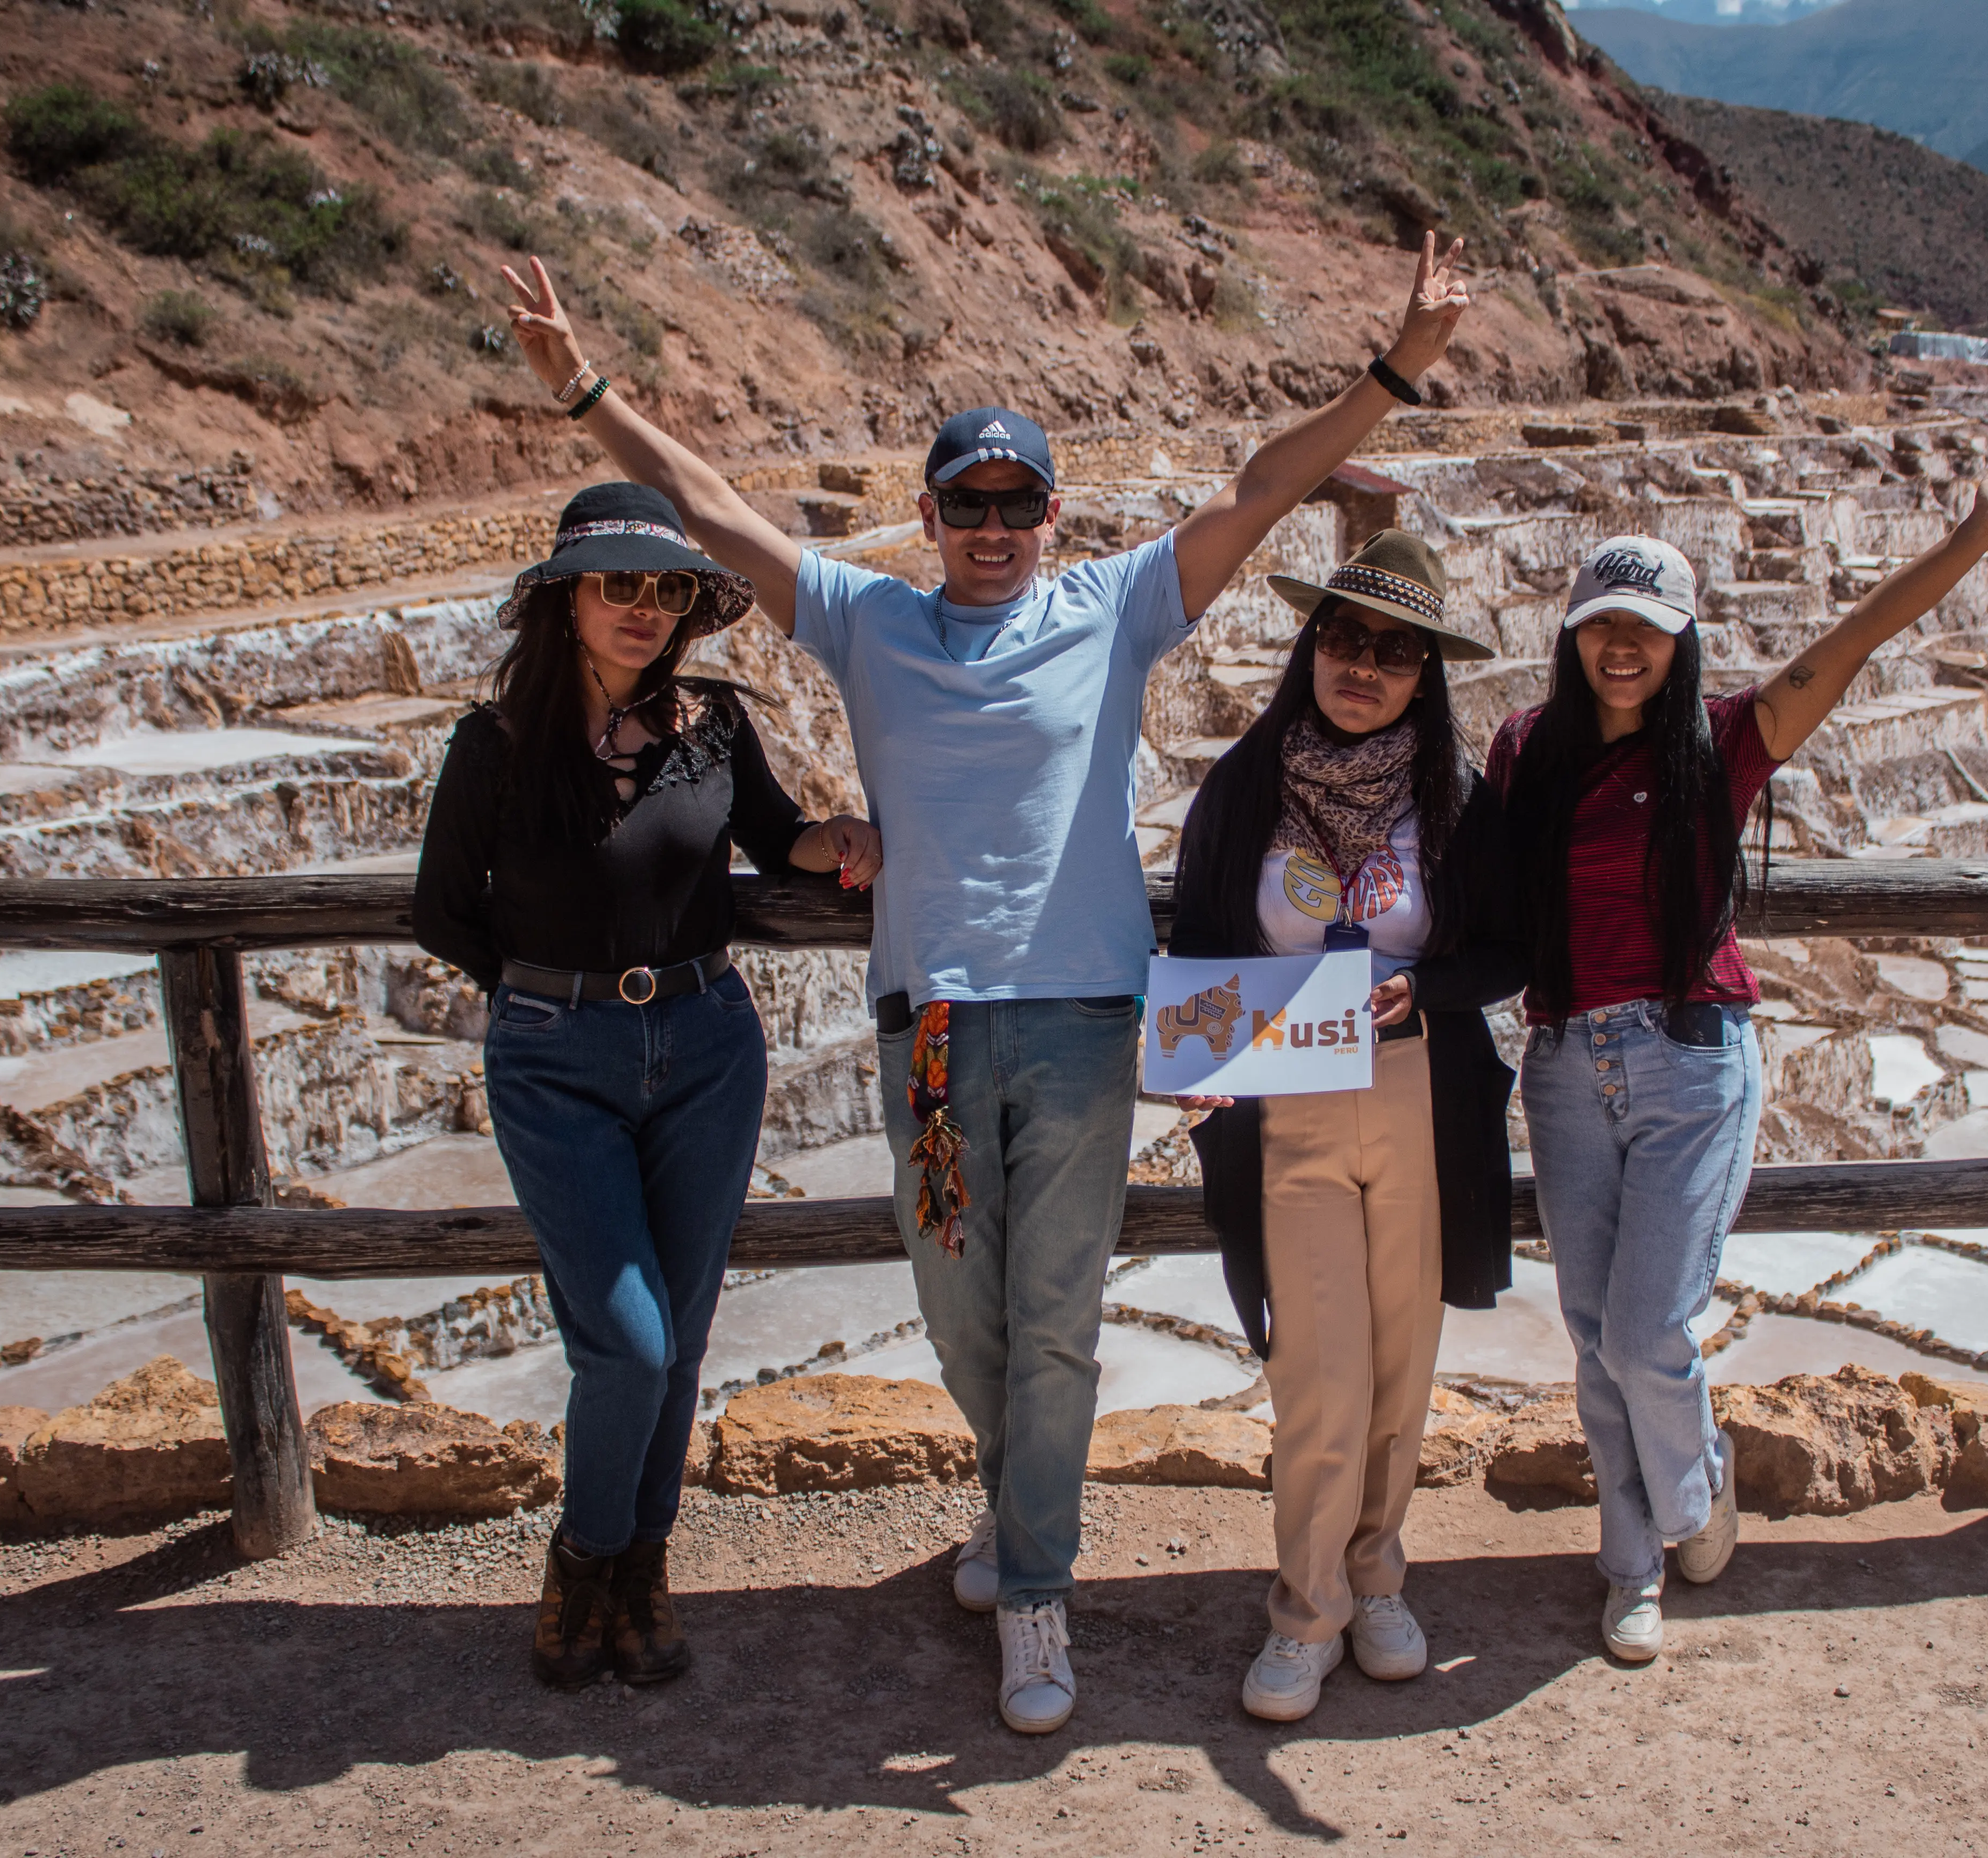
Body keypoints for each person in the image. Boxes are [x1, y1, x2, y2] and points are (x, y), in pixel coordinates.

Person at [499, 236, 1472, 1734]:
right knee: (965, 1315)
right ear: (931, 514)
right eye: (971, 503)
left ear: (1052, 515)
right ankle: (1019, 1516)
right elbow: (711, 512)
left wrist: (1397, 367)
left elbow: (1259, 491)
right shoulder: (867, 622)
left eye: (1020, 502)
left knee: (1061, 1319)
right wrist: (587, 392)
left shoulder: (1112, 609)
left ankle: (1034, 1590)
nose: (996, 527)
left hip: (1084, 1022)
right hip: (935, 1030)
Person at [1488, 437, 1988, 1665]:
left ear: (1680, 636)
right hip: (1561, 1063)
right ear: (1572, 629)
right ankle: (1628, 1563)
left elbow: (1854, 642)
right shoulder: (1520, 749)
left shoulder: (1724, 741)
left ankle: (1696, 1505)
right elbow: (1471, 887)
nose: (1620, 647)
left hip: (1688, 1056)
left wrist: (1977, 529)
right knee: (1594, 1332)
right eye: (1602, 622)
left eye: (1645, 628)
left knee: (1647, 1330)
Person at [413, 482, 882, 1691]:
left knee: (681, 1339)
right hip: (554, 1061)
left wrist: (848, 844)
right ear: (567, 599)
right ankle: (586, 1553)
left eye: (667, 588)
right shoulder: (498, 744)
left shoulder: (713, 726)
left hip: (708, 1047)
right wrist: (547, 991)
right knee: (625, 1342)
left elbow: (778, 838)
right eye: (619, 583)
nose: (644, 607)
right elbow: (442, 908)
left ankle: (642, 1570)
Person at [1166, 530, 1525, 1722]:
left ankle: (1377, 1575)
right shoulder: (1243, 787)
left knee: (1398, 1366)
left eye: (1392, 650)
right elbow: (1201, 947)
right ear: (1309, 646)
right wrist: (1201, 1060)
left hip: (1420, 1094)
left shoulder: (1458, 801)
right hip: (1288, 1097)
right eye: (1342, 637)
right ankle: (1304, 1610)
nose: (1360, 665)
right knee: (1316, 1371)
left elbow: (1507, 953)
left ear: (1427, 675)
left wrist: (1422, 988)